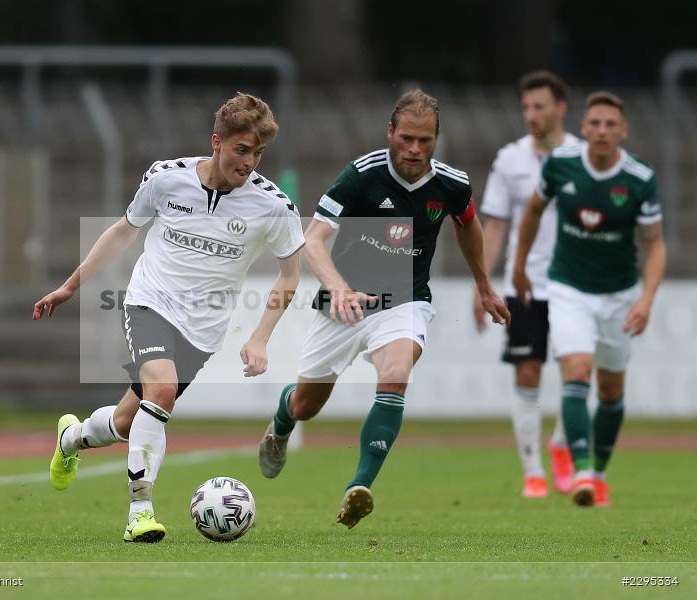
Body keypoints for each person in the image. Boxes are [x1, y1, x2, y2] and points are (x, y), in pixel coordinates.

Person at [33, 92, 305, 542]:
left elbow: (289, 277)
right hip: (150, 301)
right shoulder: (166, 178)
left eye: (258, 153)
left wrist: (260, 339)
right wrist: (71, 284)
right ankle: (140, 510)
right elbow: (124, 231)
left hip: (204, 329)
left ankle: (73, 438)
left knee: (128, 421)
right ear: (216, 142)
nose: (250, 162)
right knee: (161, 391)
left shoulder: (273, 206)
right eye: (241, 149)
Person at [258, 89, 511, 529]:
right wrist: (337, 288)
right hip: (344, 303)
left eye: (425, 141)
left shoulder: (452, 184)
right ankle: (282, 421)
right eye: (407, 138)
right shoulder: (361, 175)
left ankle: (359, 487)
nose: (414, 149)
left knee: (396, 373)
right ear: (390, 132)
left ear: (437, 140)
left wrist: (485, 287)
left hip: (405, 300)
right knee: (306, 405)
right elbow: (313, 240)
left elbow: (468, 225)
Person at [513, 91, 666, 507]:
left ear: (623, 131)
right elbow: (531, 211)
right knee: (577, 370)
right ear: (583, 128)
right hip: (568, 287)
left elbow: (654, 246)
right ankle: (581, 471)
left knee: (612, 390)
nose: (601, 131)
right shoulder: (561, 165)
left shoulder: (639, 178)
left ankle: (598, 473)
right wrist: (520, 266)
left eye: (610, 125)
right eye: (594, 123)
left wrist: (646, 299)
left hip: (620, 294)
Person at [476, 71, 577, 498]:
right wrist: (481, 284)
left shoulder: (584, 156)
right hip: (524, 285)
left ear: (561, 108)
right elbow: (495, 225)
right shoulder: (509, 160)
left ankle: (561, 446)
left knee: (579, 373)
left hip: (577, 284)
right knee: (529, 370)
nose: (532, 115)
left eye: (540, 106)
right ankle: (533, 470)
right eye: (526, 108)